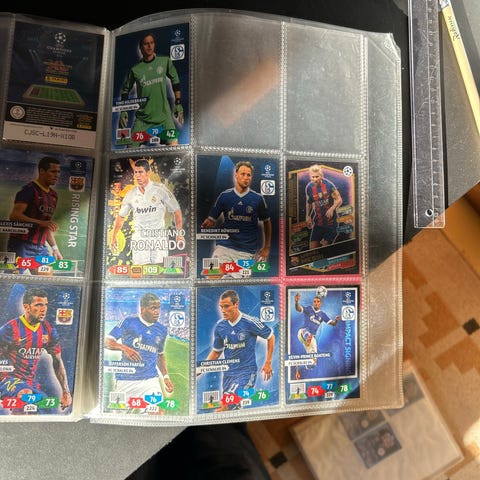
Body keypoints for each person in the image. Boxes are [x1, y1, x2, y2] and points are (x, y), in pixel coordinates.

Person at [0, 288, 72, 412]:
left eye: (45, 305)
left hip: (29, 382)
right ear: (26, 307)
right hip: (7, 379)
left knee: (48, 408)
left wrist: (66, 392)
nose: (43, 309)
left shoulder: (48, 330)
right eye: (38, 305)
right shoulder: (10, 328)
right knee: (25, 396)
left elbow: (57, 361)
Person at [204, 289, 275, 412]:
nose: (223, 310)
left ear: (236, 304)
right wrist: (201, 369)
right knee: (231, 409)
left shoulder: (250, 322)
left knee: (224, 405)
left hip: (246, 373)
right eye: (221, 307)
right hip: (228, 375)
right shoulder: (220, 326)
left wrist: (268, 362)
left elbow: (270, 337)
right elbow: (216, 352)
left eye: (226, 306)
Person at [201, 161, 272, 274]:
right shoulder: (225, 196)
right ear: (236, 175)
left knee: (234, 281)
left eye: (248, 175)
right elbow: (211, 219)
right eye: (243, 174)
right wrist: (209, 222)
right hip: (224, 247)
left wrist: (267, 247)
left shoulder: (257, 199)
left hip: (246, 251)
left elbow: (267, 222)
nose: (246, 177)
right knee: (213, 275)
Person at [110, 158, 184, 265]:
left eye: (140, 172)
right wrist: (114, 236)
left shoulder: (160, 189)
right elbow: (121, 217)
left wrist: (179, 234)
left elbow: (176, 210)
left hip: (158, 236)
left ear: (148, 173)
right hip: (140, 238)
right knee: (140, 270)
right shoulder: (131, 194)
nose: (137, 175)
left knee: (161, 268)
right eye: (136, 172)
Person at [105, 292, 174, 405]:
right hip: (126, 379)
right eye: (153, 308)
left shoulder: (162, 330)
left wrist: (165, 376)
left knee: (157, 410)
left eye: (158, 308)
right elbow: (107, 341)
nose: (157, 312)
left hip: (150, 380)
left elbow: (160, 355)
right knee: (119, 411)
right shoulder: (128, 322)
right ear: (142, 309)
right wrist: (124, 348)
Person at [119, 32, 184, 147]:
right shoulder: (135, 70)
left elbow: (175, 80)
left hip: (164, 118)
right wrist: (123, 111)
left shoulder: (164, 61)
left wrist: (178, 103)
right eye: (146, 44)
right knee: (130, 148)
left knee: (173, 146)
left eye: (151, 43)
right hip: (143, 120)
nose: (149, 46)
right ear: (140, 48)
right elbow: (125, 90)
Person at [7, 156, 63, 266]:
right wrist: (41, 223)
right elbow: (14, 215)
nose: (57, 175)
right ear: (42, 171)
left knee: (46, 274)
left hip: (41, 247)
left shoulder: (53, 195)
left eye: (58, 172)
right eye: (53, 171)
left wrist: (55, 248)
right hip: (21, 245)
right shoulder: (29, 190)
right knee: (17, 275)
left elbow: (46, 225)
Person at [294, 292, 340, 378]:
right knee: (307, 333)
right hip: (302, 332)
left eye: (318, 301)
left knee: (313, 360)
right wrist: (296, 302)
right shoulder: (309, 309)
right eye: (314, 301)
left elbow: (333, 323)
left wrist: (336, 320)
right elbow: (298, 309)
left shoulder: (322, 315)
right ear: (313, 303)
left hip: (312, 339)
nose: (316, 303)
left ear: (320, 303)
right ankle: (308, 337)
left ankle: (305, 368)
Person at [305, 164, 342, 249]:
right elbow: (309, 203)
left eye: (317, 177)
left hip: (330, 224)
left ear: (321, 176)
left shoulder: (329, 185)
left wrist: (332, 208)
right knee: (312, 249)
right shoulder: (309, 187)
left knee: (324, 249)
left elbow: (339, 199)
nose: (315, 179)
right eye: (313, 177)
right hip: (318, 224)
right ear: (310, 176)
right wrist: (308, 216)